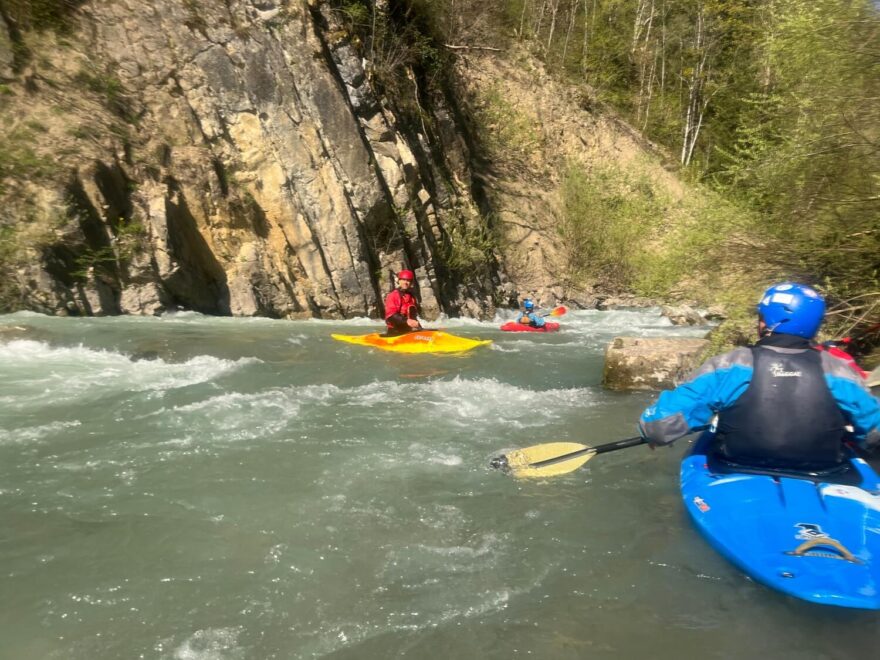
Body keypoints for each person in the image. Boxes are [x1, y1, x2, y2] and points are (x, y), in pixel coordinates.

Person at [639, 282, 880, 470]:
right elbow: (874, 433)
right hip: (826, 470)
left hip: (736, 467)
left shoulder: (731, 365)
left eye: (761, 316)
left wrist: (652, 431)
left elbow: (660, 426)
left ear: (767, 322)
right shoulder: (839, 370)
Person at [384, 269, 422, 336]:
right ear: (399, 281)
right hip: (395, 332)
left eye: (408, 280)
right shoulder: (393, 295)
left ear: (411, 283)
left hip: (408, 331)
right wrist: (406, 321)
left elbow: (413, 317)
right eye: (403, 280)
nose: (406, 282)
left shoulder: (412, 297)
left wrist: (420, 329)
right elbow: (390, 316)